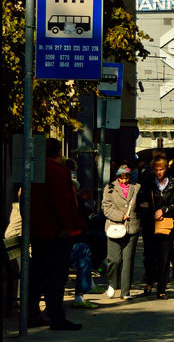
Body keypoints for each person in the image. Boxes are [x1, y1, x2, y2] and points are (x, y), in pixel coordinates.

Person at [28, 137, 87, 330]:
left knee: (36, 274)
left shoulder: (33, 169)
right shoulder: (59, 171)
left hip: (36, 231)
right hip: (55, 232)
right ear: (59, 153)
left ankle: (31, 314)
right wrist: (66, 227)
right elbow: (62, 201)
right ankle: (56, 316)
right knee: (55, 276)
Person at [138, 155, 174, 299]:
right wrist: (153, 213)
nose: (159, 172)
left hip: (166, 225)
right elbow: (141, 204)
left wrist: (163, 210)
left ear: (165, 169)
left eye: (161, 169)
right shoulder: (148, 183)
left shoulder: (173, 184)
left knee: (164, 257)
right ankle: (150, 281)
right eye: (156, 170)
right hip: (150, 225)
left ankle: (161, 288)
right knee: (149, 256)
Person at [101, 165, 141, 301]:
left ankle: (125, 290)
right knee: (114, 260)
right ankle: (112, 283)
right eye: (121, 178)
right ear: (117, 177)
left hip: (132, 228)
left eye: (126, 177)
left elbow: (141, 204)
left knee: (128, 260)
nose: (124, 181)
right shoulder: (110, 188)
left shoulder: (136, 188)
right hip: (114, 226)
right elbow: (106, 207)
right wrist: (120, 215)